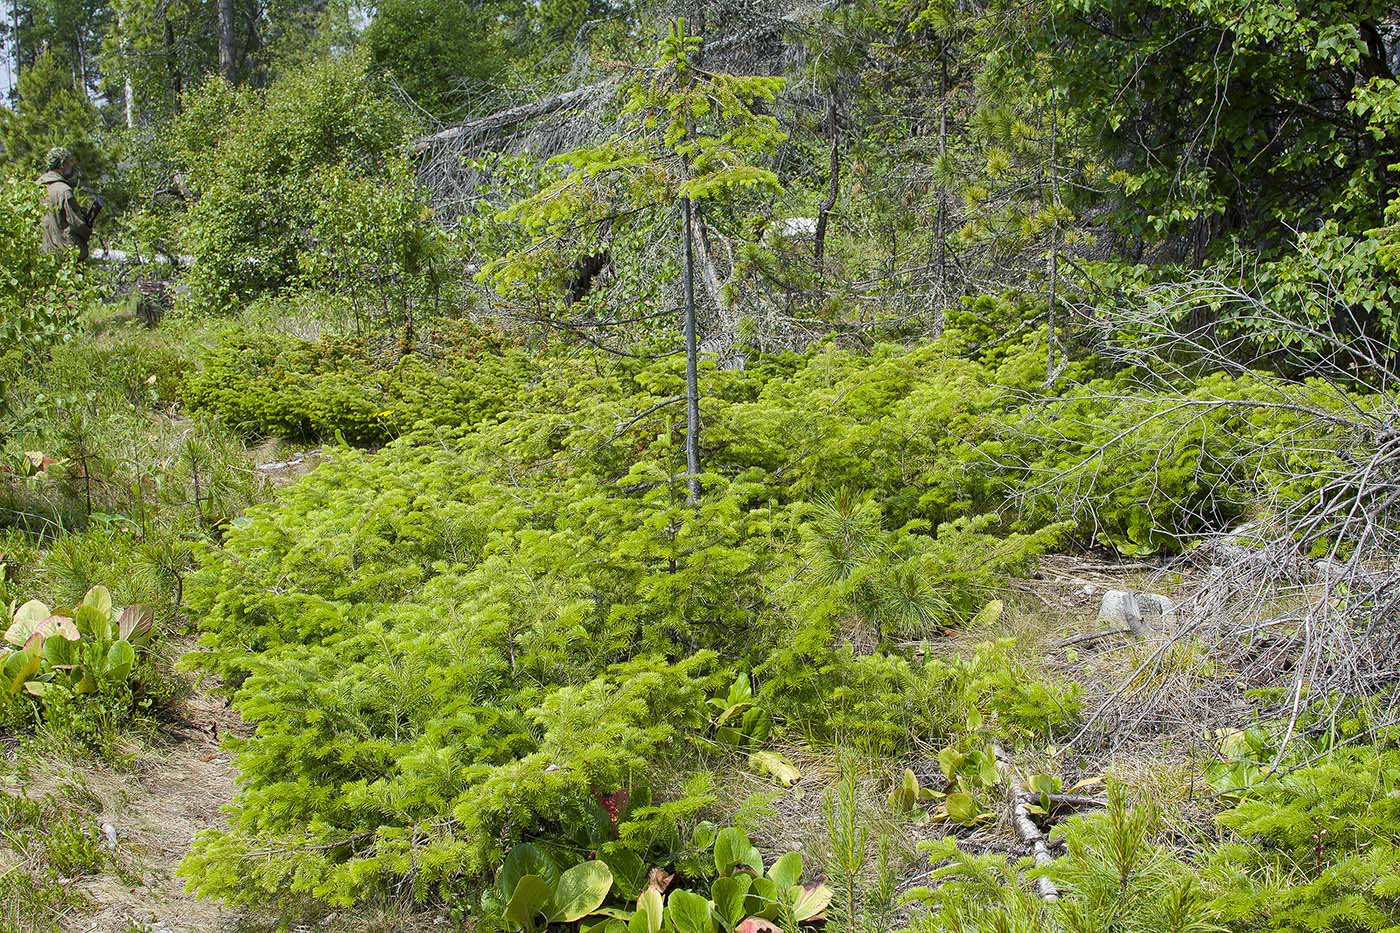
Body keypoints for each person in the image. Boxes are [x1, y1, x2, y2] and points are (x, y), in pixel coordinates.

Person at [36, 146, 102, 260]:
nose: (72, 164)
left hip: (41, 256)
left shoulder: (35, 188)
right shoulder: (63, 191)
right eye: (69, 161)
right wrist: (88, 226)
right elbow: (76, 223)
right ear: (62, 165)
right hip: (64, 256)